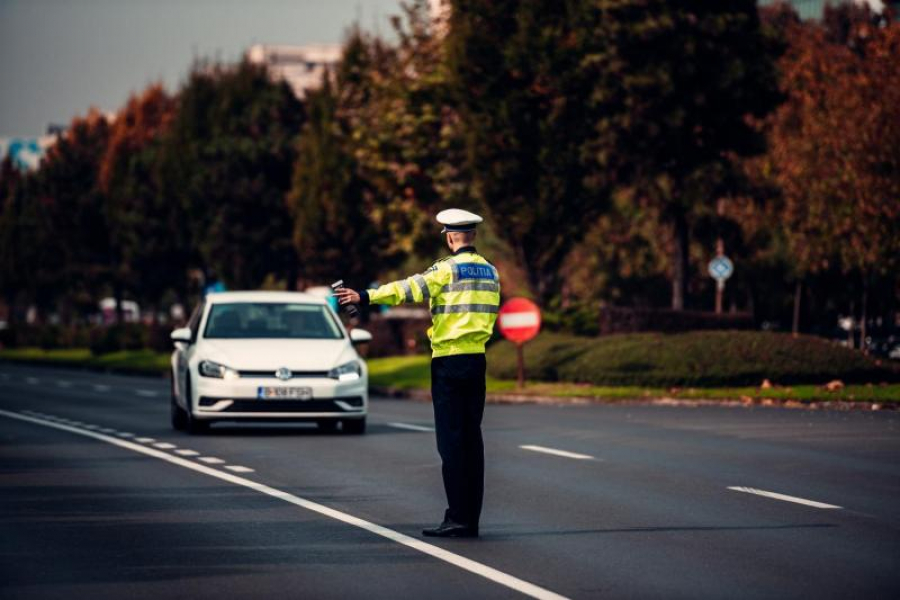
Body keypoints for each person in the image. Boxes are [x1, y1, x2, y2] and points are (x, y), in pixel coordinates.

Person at [335, 208, 501, 538]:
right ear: (474, 235)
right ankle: (471, 519)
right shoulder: (490, 272)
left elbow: (409, 288)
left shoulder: (446, 269)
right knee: (472, 442)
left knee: (451, 443)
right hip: (477, 360)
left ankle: (457, 518)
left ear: (451, 236)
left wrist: (365, 296)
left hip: (448, 361)